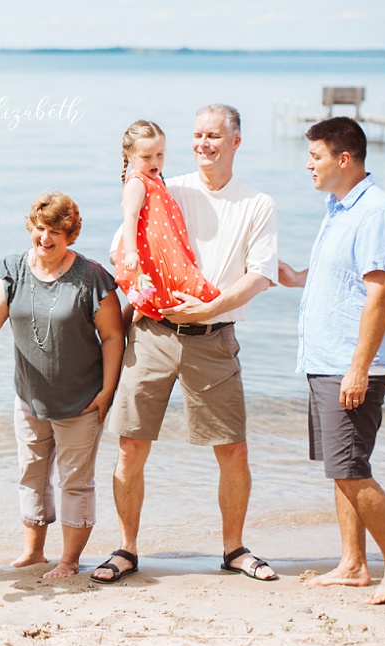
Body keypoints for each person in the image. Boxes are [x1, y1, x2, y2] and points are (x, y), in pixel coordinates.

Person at [92, 104, 279, 584]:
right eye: (197, 135)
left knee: (232, 449)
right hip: (152, 333)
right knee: (130, 446)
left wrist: (208, 309)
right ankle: (126, 550)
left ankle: (234, 549)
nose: (204, 144)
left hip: (214, 339)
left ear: (235, 141)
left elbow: (261, 274)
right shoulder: (165, 185)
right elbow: (122, 249)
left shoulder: (257, 203)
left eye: (214, 135)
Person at [278, 117, 385, 604]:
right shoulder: (340, 207)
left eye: (314, 156)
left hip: (351, 363)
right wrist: (296, 277)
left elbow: (380, 293)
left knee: (352, 469)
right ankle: (353, 564)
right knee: (341, 468)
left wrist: (359, 367)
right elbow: (345, 274)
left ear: (343, 159)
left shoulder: (375, 213)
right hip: (326, 359)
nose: (307, 165)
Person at [0, 191, 124, 579]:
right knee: (31, 475)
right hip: (29, 398)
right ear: (30, 228)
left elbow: (114, 336)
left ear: (71, 234)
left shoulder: (91, 277)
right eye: (39, 228)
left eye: (56, 230)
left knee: (75, 482)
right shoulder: (13, 268)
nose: (46, 238)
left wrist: (107, 391)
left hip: (81, 401)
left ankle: (69, 561)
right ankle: (33, 552)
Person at [113, 119, 219, 322]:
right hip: (151, 252)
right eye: (146, 157)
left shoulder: (155, 180)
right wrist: (131, 252)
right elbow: (130, 217)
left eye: (160, 155)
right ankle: (147, 308)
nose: (154, 162)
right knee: (189, 288)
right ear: (130, 155)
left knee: (174, 284)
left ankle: (146, 308)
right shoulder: (136, 182)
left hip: (166, 250)